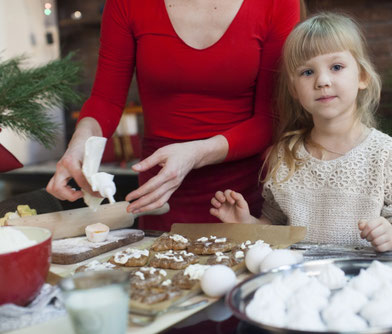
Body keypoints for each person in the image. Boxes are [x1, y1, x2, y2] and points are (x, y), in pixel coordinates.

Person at [46, 0, 301, 231]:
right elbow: (106, 100)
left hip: (241, 201)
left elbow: (272, 119)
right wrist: (80, 143)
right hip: (161, 194)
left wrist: (195, 154)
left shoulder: (276, 3)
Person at [210, 12, 392, 252]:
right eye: (307, 72)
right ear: (294, 89)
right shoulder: (283, 157)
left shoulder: (388, 157)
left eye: (336, 67)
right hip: (301, 283)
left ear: (362, 77)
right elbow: (276, 228)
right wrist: (247, 224)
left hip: (363, 282)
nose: (322, 81)